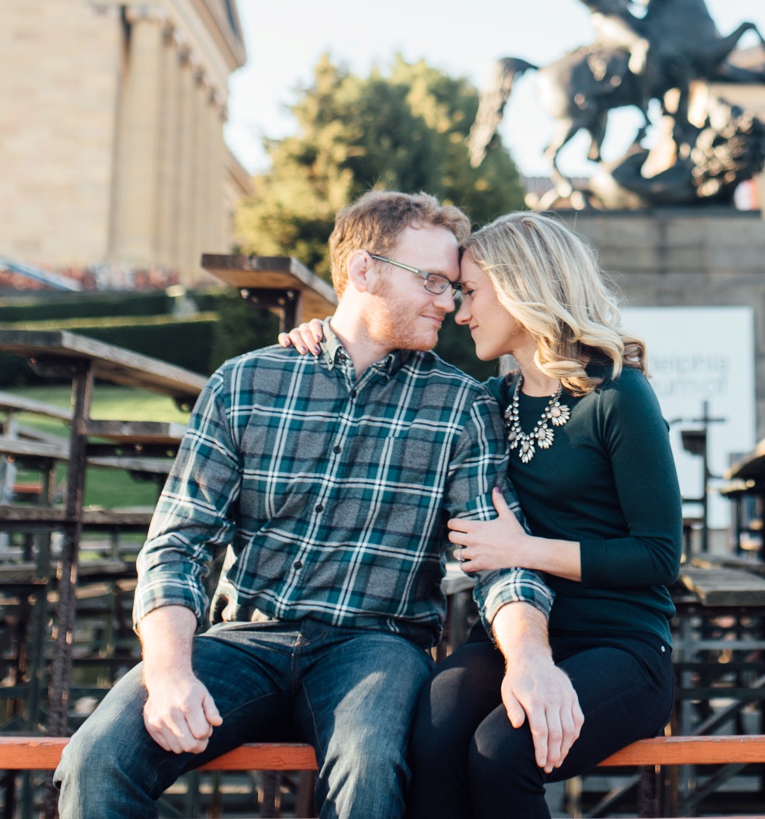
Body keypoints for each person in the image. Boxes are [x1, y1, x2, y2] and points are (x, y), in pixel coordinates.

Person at [54, 191, 573, 819]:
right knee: (95, 762)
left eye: (453, 286)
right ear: (364, 271)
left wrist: (532, 659)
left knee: (371, 768)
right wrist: (167, 669)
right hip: (243, 639)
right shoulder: (246, 384)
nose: (448, 300)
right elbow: (176, 545)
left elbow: (500, 560)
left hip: (376, 646)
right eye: (433, 281)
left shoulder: (459, 405)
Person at [284, 211, 681, 819]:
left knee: (501, 753)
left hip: (621, 645)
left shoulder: (617, 396)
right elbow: (381, 369)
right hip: (513, 634)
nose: (459, 311)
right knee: (432, 735)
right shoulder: (492, 401)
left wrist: (525, 551)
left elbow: (658, 556)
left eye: (469, 293)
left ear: (522, 287)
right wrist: (322, 338)